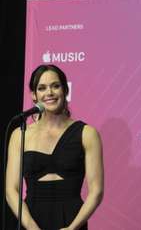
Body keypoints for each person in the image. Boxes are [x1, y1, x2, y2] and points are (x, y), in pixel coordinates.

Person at [6, 64, 104, 230]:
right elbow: (11, 190)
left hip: (72, 219)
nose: (49, 93)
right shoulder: (20, 134)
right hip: (30, 219)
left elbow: (97, 191)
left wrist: (72, 228)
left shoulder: (87, 134)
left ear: (65, 90)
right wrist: (31, 227)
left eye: (55, 86)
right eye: (42, 88)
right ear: (34, 95)